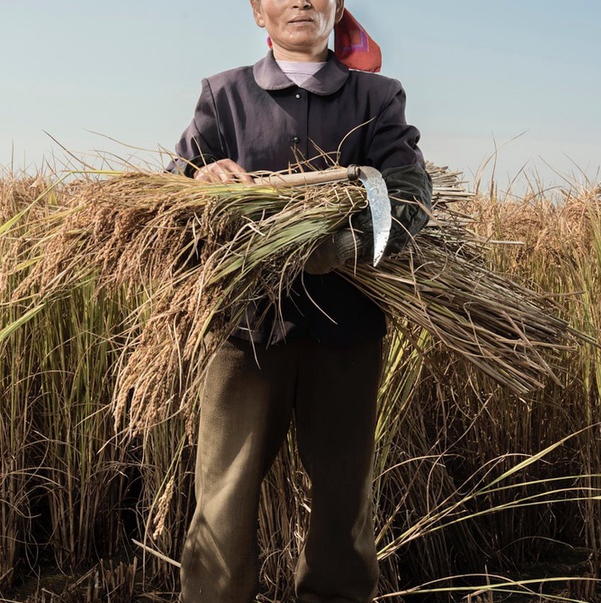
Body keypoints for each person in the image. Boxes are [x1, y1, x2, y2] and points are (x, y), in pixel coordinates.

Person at [169, 1, 432, 601]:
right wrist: (200, 182)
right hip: (245, 329)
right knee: (223, 497)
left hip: (347, 328)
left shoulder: (377, 97)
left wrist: (350, 244)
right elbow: (174, 187)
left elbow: (409, 189)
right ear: (258, 13)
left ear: (337, 10)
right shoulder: (224, 95)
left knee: (344, 498)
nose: (302, 1)